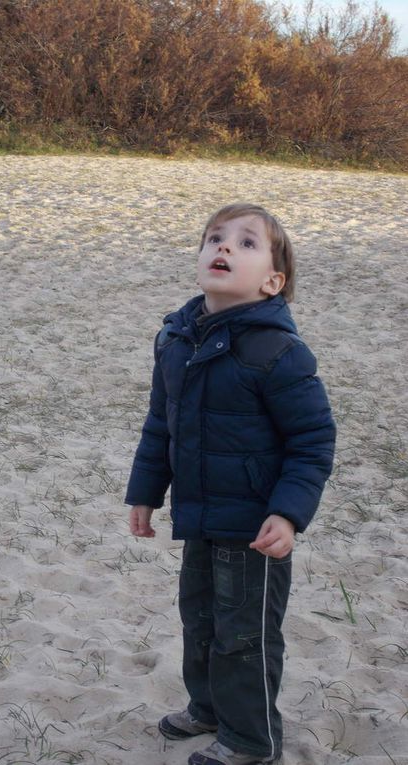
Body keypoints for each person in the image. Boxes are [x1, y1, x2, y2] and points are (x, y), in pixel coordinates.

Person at [125, 203, 336, 765]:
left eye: (246, 243)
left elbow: (313, 441)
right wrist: (146, 492)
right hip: (200, 516)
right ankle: (210, 708)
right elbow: (161, 423)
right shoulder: (176, 339)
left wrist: (288, 513)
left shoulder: (280, 353)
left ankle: (251, 739)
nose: (223, 248)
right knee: (199, 618)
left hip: (253, 527)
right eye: (214, 238)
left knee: (245, 635)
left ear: (272, 282)